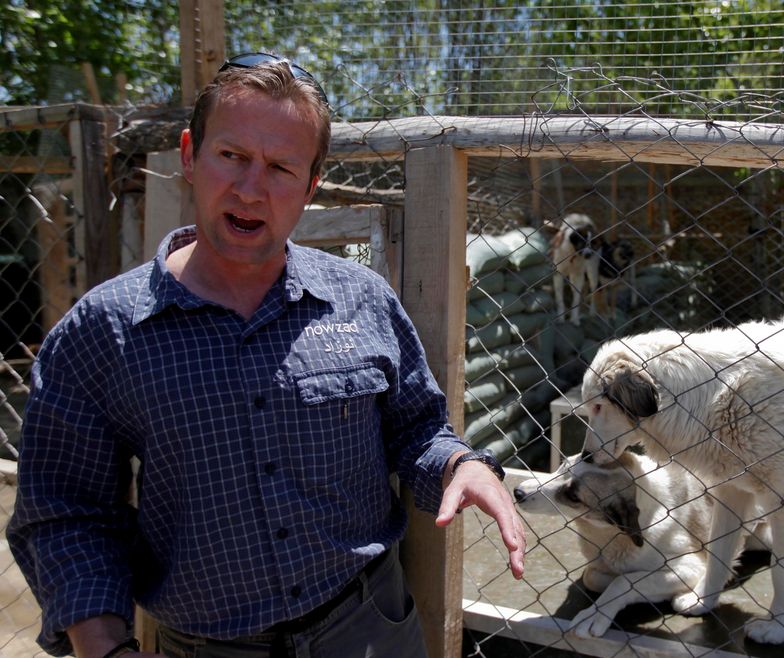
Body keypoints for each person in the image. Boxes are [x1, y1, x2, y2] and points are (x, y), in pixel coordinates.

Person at [7, 53, 525, 658]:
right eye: (232, 156)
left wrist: (459, 464)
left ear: (311, 184)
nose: (251, 189)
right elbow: (65, 511)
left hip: (369, 627)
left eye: (281, 167)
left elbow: (416, 429)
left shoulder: (360, 298)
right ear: (189, 156)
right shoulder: (104, 330)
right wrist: (104, 647)